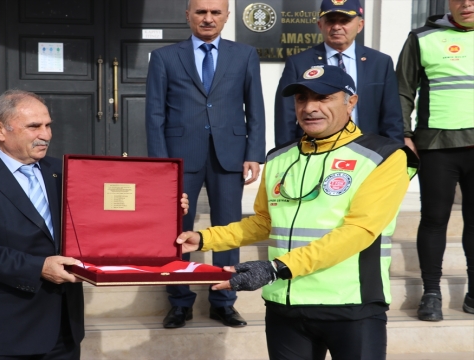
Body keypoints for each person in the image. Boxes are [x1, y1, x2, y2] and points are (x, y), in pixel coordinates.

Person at [177, 65, 418, 359]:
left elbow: (359, 232)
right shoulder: (279, 157)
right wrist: (202, 239)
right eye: (301, 98)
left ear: (351, 102)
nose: (309, 108)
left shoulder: (384, 156)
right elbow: (264, 222)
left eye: (323, 97)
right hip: (285, 306)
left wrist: (275, 268)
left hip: (351, 306)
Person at [0, 90, 190, 359]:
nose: (46, 135)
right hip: (0, 333)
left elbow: (105, 219)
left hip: (63, 331)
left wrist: (163, 206)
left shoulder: (65, 171)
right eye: (34, 126)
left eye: (48, 125)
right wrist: (40, 268)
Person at [145, 0, 266, 329]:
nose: (208, 18)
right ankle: (179, 301)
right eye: (201, 12)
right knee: (174, 230)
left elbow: (255, 107)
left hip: (230, 155)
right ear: (188, 16)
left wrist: (254, 153)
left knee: (228, 230)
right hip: (179, 157)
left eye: (215, 12)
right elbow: (154, 114)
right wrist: (160, 165)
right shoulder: (165, 57)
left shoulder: (244, 55)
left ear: (227, 16)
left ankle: (224, 301)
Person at [396, 0, 474, 321]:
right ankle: (431, 293)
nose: (466, 4)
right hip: (436, 146)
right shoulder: (422, 37)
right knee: (434, 219)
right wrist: (404, 133)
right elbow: (402, 89)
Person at [274, 0, 404, 146]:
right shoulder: (298, 63)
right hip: (314, 150)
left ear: (360, 25)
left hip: (367, 150)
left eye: (344, 21)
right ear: (320, 25)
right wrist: (284, 154)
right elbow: (285, 117)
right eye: (330, 21)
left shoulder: (380, 62)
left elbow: (392, 118)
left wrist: (397, 154)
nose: (336, 27)